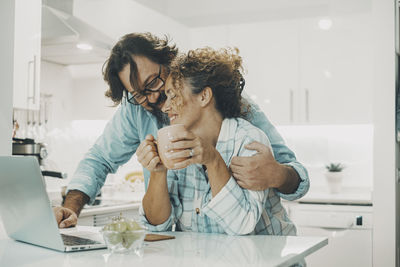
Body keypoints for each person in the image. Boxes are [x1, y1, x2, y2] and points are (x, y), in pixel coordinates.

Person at [53, 32, 309, 228]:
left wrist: (277, 174)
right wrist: (71, 208)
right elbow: (99, 159)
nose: (152, 99)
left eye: (154, 82)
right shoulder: (137, 111)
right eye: (138, 94)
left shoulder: (238, 114)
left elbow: (296, 176)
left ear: (171, 64)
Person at [138, 47, 295, 235]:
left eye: (173, 95)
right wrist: (157, 172)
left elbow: (242, 224)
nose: (165, 107)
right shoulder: (177, 144)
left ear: (204, 96)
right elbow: (157, 226)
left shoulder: (247, 139)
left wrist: (212, 160)